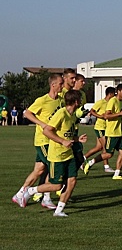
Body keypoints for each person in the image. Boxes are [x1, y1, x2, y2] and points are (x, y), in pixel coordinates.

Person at [21, 90, 87, 217]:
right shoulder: (61, 114)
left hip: (69, 154)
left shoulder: (72, 115)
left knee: (72, 181)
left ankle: (59, 210)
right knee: (57, 186)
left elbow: (67, 133)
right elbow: (47, 131)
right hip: (57, 156)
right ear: (76, 101)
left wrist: (77, 139)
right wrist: (62, 141)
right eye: (80, 100)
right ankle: (31, 191)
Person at [12, 74, 64, 210]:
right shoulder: (42, 100)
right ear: (53, 85)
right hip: (43, 141)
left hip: (52, 140)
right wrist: (41, 124)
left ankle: (20, 194)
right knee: (51, 167)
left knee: (39, 170)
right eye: (60, 83)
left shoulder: (60, 100)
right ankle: (46, 198)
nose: (62, 86)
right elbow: (27, 113)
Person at [83, 84, 122, 180]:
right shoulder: (112, 101)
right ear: (118, 91)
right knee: (108, 154)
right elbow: (107, 116)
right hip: (111, 133)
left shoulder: (120, 102)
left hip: (120, 132)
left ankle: (117, 173)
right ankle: (91, 162)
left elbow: (117, 115)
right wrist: (119, 114)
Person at [84, 87, 116, 172]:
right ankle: (106, 166)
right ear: (110, 94)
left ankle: (82, 159)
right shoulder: (101, 103)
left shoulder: (112, 103)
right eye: (114, 94)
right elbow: (92, 111)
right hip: (100, 127)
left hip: (107, 128)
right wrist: (100, 116)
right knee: (105, 147)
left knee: (98, 148)